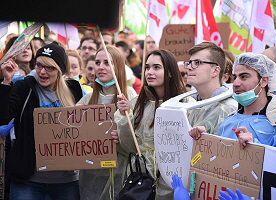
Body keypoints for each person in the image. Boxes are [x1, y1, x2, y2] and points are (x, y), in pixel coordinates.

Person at [0, 42, 80, 200]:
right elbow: (3, 118)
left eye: (49, 67)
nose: (43, 72)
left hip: (66, 180)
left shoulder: (74, 89)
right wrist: (6, 83)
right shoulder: (24, 87)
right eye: (39, 66)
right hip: (29, 180)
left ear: (60, 69)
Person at [115, 49, 189, 200]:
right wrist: (124, 117)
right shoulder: (136, 104)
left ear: (169, 72)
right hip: (141, 180)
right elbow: (129, 147)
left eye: (156, 67)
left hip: (172, 180)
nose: (149, 72)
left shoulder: (186, 104)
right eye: (147, 67)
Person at [77, 45, 137, 200]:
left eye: (107, 63)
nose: (101, 67)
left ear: (118, 66)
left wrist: (123, 132)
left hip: (121, 173)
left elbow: (138, 140)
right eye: (97, 63)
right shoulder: (87, 99)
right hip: (90, 176)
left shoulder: (130, 96)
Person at [218, 52, 276, 151]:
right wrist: (202, 139)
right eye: (235, 77)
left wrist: (254, 147)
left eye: (244, 77)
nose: (235, 83)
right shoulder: (228, 121)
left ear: (263, 81)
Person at [186, 42, 237, 135]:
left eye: (197, 62)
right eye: (189, 63)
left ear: (215, 70)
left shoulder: (229, 108)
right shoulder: (191, 105)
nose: (189, 67)